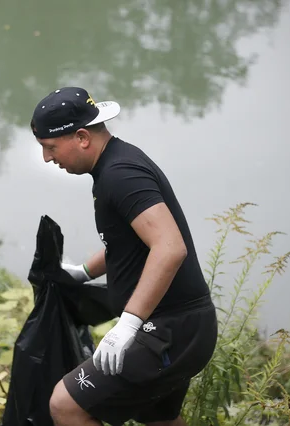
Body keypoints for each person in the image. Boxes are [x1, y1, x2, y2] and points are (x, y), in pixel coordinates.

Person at [29, 87, 218, 426]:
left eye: (50, 147)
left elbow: (169, 247)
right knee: (159, 419)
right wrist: (82, 273)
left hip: (169, 328)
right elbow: (127, 241)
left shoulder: (121, 175)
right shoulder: (113, 166)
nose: (46, 158)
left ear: (82, 137)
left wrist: (128, 324)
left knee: (65, 405)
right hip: (182, 327)